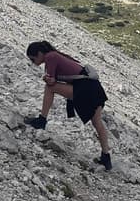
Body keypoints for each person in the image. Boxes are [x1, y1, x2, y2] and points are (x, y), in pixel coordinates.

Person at [23, 41, 114, 170]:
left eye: (33, 59)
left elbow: (52, 81)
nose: (33, 62)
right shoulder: (54, 55)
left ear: (39, 54)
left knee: (50, 88)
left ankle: (42, 120)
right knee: (97, 122)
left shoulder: (50, 57)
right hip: (94, 88)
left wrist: (47, 79)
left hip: (85, 88)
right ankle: (106, 156)